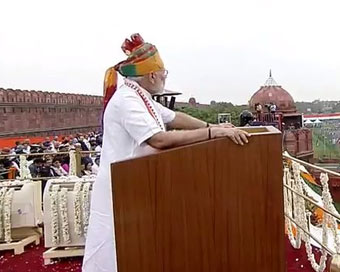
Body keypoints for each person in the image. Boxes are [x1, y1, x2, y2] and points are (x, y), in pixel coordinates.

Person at [82, 33, 250, 272]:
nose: (164, 77)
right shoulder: (127, 100)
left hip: (138, 185)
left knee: (136, 249)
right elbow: (159, 140)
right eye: (164, 74)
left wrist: (211, 127)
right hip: (120, 189)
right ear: (152, 75)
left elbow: (173, 117)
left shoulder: (142, 97)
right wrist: (213, 135)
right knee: (116, 253)